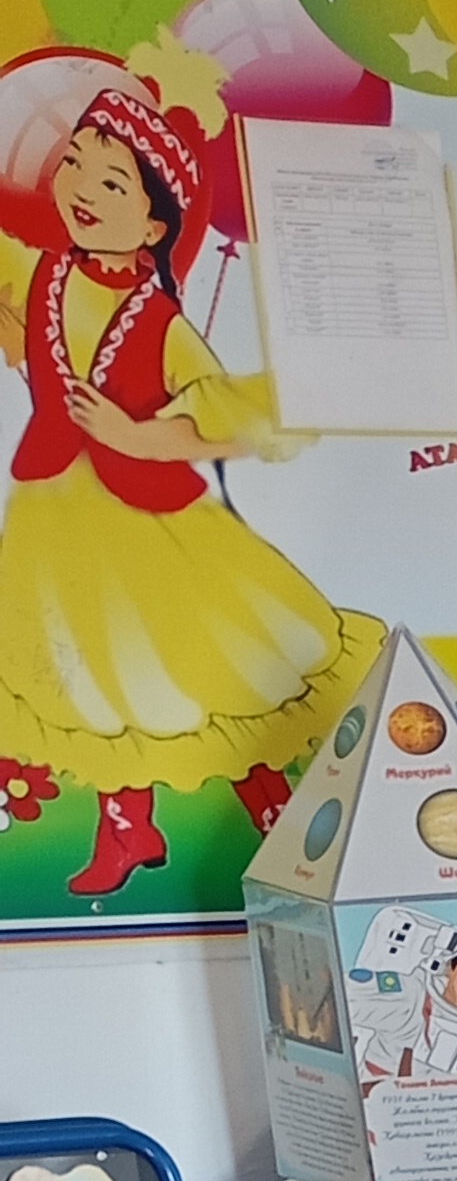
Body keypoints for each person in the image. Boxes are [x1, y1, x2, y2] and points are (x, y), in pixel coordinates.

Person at [0, 84, 384, 902]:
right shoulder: (43, 275)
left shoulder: (163, 323)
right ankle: (127, 828)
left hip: (154, 529)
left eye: (112, 182)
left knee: (210, 668)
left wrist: (137, 435)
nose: (82, 188)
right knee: (91, 677)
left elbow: (231, 418)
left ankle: (276, 809)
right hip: (58, 523)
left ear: (153, 226)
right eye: (75, 163)